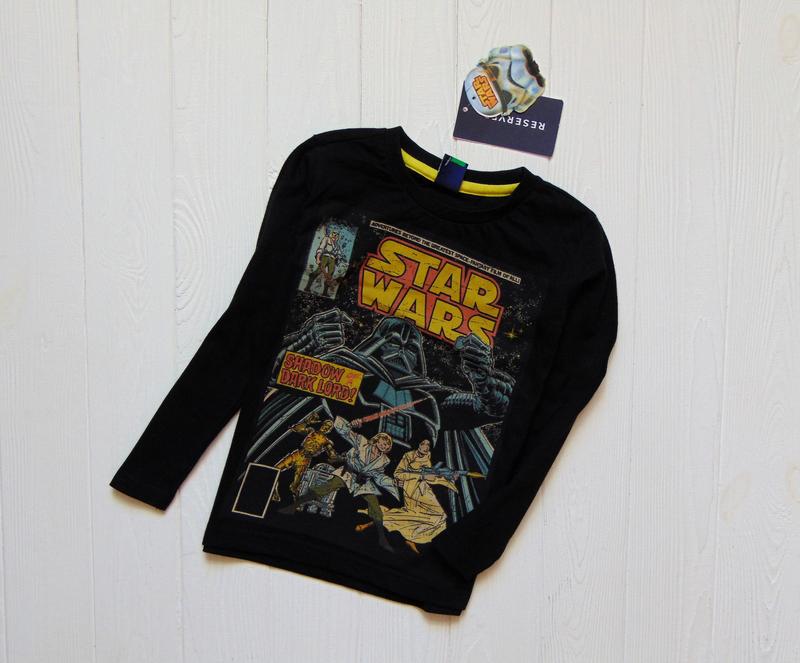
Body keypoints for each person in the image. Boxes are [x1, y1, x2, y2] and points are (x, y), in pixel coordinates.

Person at [277, 416, 400, 553]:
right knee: (325, 488)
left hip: (363, 482)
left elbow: (379, 476)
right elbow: (344, 431)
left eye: (387, 445)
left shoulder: (384, 460)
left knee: (375, 506)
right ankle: (293, 506)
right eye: (383, 442)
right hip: (348, 474)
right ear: (377, 439)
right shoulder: (362, 442)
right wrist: (351, 424)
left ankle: (382, 539)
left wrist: (393, 482)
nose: (384, 445)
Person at [355, 439, 458, 553]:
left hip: (424, 490)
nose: (426, 447)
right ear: (419, 445)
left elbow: (430, 477)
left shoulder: (427, 457)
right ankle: (372, 523)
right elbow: (398, 474)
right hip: (411, 490)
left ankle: (411, 538)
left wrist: (448, 478)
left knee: (439, 517)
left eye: (428, 445)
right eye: (423, 444)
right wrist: (420, 477)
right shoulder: (408, 456)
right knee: (414, 516)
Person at [271, 412, 338, 502]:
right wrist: (307, 421)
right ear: (322, 424)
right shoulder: (311, 431)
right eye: (325, 424)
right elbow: (295, 428)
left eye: (329, 427)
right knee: (275, 469)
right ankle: (274, 492)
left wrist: (334, 454)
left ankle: (296, 502)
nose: (326, 427)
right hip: (297, 454)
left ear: (329, 430)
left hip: (305, 461)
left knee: (295, 486)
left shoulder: (326, 441)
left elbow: (332, 454)